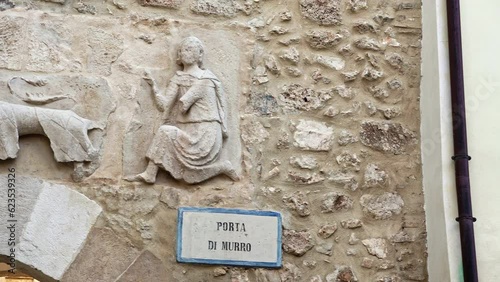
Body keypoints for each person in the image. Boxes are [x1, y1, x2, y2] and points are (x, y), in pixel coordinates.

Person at [128, 36, 239, 184]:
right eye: (185, 49)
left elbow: (184, 105)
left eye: (192, 49)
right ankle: (222, 167)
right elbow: (165, 105)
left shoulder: (207, 79)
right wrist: (154, 86)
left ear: (200, 54)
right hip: (188, 131)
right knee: (169, 139)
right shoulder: (178, 78)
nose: (187, 52)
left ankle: (150, 173)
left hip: (207, 132)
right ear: (179, 54)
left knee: (165, 132)